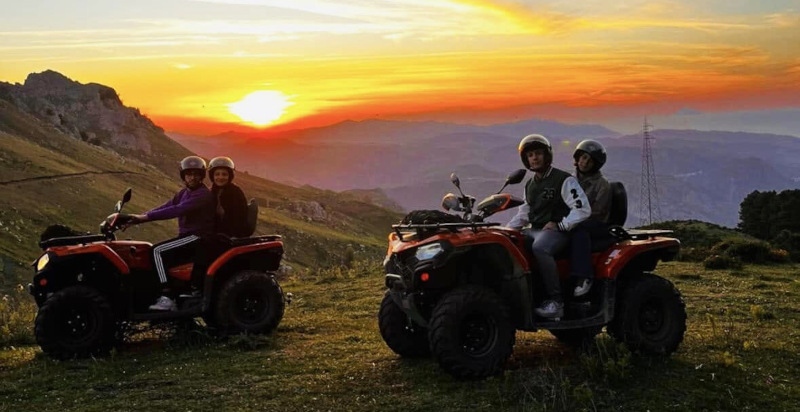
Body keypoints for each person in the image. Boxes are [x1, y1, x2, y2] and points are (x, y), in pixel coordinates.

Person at [506, 134, 591, 319]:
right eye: (530, 155)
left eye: (538, 153)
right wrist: (506, 231)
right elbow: (524, 213)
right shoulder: (530, 184)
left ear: (547, 155)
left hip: (558, 232)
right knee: (509, 246)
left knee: (540, 247)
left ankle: (556, 302)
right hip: (534, 229)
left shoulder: (564, 180)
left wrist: (561, 224)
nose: (534, 158)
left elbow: (582, 209)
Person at [127, 156, 215, 311]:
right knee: (149, 253)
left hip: (198, 237)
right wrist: (138, 217)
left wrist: (143, 219)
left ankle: (168, 297)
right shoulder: (183, 193)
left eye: (196, 174)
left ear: (202, 175)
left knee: (156, 251)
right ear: (184, 176)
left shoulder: (203, 195)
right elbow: (166, 206)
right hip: (187, 237)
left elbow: (177, 210)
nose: (193, 177)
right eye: (189, 174)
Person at [569, 139, 612, 297]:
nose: (585, 162)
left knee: (579, 231)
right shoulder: (569, 181)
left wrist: (571, 220)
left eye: (591, 160)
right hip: (571, 220)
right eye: (584, 157)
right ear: (577, 158)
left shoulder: (602, 185)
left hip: (595, 223)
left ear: (596, 164)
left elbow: (598, 212)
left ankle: (584, 276)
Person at [208, 156, 250, 238]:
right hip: (214, 234)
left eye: (224, 174)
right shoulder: (212, 191)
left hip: (231, 236)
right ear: (212, 176)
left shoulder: (235, 193)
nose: (220, 177)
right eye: (217, 174)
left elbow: (239, 218)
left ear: (230, 176)